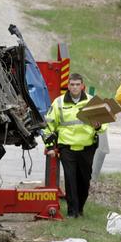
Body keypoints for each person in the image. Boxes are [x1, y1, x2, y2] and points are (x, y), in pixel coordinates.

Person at [43, 73, 106, 218]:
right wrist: (51, 147)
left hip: (87, 147)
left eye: (78, 84)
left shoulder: (92, 102)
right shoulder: (58, 103)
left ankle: (80, 209)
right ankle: (72, 212)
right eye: (72, 84)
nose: (75, 87)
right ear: (68, 86)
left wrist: (97, 127)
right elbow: (48, 126)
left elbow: (103, 126)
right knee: (70, 180)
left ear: (82, 86)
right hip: (67, 148)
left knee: (84, 180)